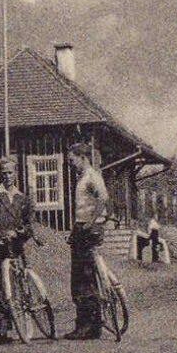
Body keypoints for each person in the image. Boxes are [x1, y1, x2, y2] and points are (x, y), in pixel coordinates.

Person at [0, 156, 36, 345]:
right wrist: (4, 233)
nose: (7, 176)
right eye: (3, 173)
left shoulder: (23, 198)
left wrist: (21, 232)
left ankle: (17, 327)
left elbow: (29, 226)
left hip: (15, 249)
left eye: (10, 172)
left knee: (16, 287)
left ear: (16, 173)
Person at [65, 143, 110, 340]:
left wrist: (90, 223)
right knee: (86, 276)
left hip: (87, 228)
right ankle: (93, 324)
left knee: (81, 279)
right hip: (82, 226)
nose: (70, 165)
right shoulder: (84, 177)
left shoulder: (91, 177)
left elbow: (103, 201)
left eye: (72, 161)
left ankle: (86, 326)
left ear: (82, 158)